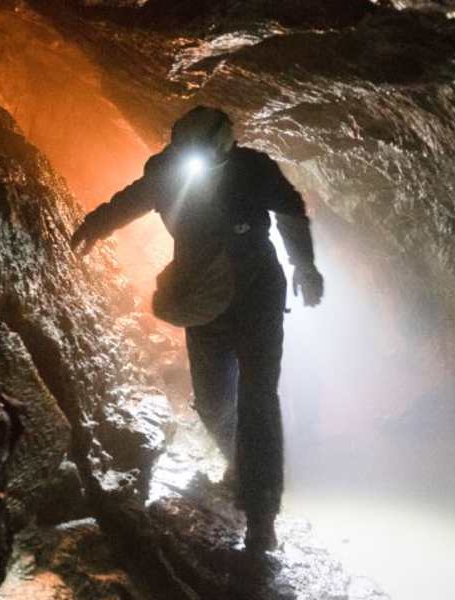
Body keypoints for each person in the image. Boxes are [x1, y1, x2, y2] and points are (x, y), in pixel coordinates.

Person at [69, 106, 324, 552]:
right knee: (212, 401)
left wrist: (305, 265)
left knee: (258, 398)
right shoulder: (169, 171)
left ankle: (261, 516)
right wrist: (97, 223)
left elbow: (290, 211)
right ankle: (239, 463)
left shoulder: (253, 169)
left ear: (226, 143)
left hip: (257, 293)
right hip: (202, 296)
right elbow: (134, 198)